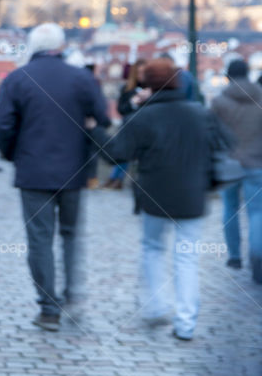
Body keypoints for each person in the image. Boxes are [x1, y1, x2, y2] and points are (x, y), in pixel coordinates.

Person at [90, 58, 219, 340]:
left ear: (148, 85)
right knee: (187, 257)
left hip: (155, 193)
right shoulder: (199, 113)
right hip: (192, 195)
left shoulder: (145, 116)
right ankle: (185, 322)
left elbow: (116, 153)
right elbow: (219, 149)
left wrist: (94, 129)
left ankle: (155, 305)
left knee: (152, 248)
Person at [0, 23, 110, 331]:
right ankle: (72, 294)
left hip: (32, 171)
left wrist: (12, 154)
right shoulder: (82, 77)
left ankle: (48, 307)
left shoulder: (17, 79)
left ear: (32, 46)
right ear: (61, 45)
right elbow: (104, 118)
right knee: (71, 235)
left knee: (40, 239)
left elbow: (2, 125)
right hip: (74, 169)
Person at [209, 58, 262, 282]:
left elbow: (212, 134)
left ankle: (234, 255)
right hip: (257, 162)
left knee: (230, 208)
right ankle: (257, 255)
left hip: (229, 164)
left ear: (228, 76)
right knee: (257, 212)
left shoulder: (219, 101)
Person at [106, 60, 149, 190]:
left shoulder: (151, 89)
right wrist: (134, 102)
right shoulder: (127, 89)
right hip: (130, 127)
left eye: (144, 72)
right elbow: (121, 109)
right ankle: (115, 179)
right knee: (124, 153)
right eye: (139, 72)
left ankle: (119, 180)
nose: (141, 75)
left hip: (145, 128)